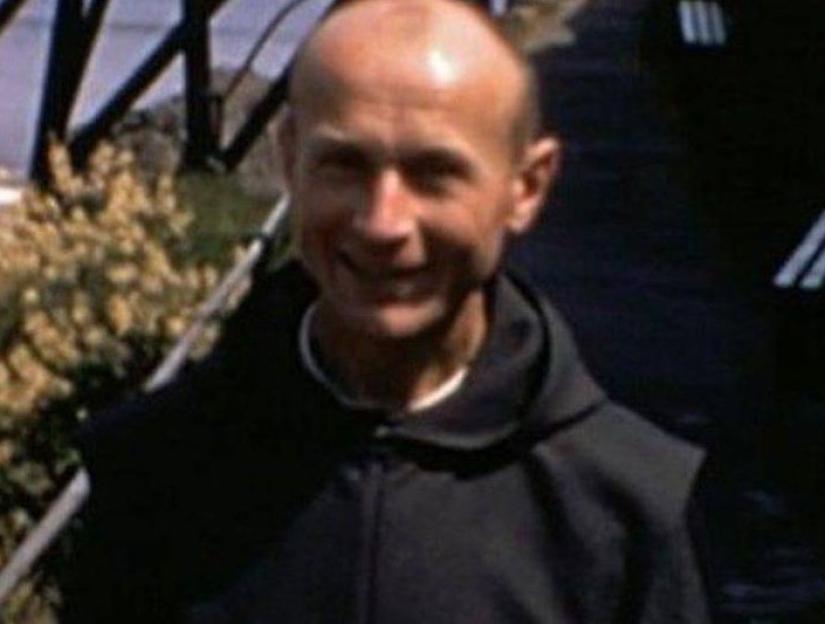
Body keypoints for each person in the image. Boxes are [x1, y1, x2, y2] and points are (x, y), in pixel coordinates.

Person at [64, 0, 711, 621]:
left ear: (526, 185)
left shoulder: (622, 510)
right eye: (345, 165)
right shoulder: (155, 473)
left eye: (434, 173)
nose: (382, 223)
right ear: (289, 160)